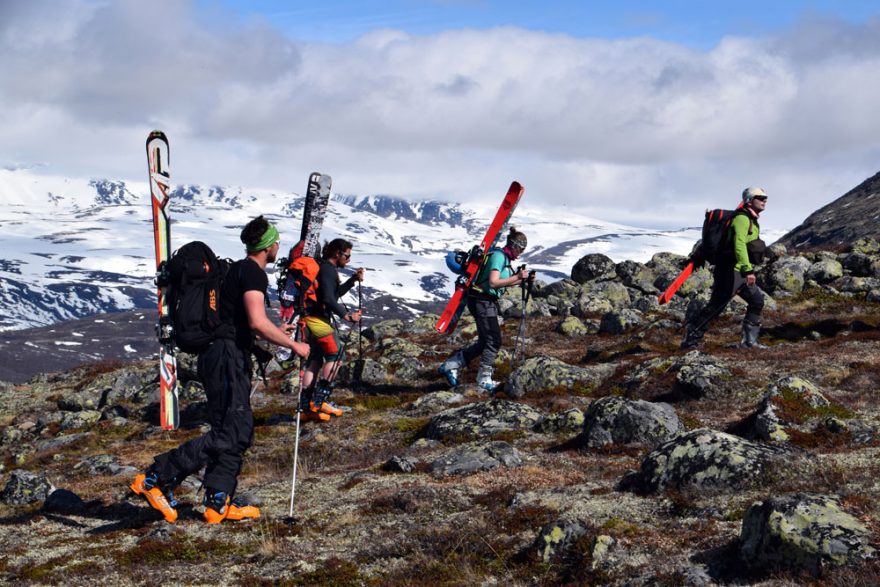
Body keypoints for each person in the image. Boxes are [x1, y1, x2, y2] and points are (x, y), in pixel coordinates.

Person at [130, 216, 311, 524]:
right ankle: (155, 477)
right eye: (276, 241)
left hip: (220, 356)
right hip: (225, 358)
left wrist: (276, 330)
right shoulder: (253, 273)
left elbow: (240, 323)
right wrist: (295, 346)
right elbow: (256, 321)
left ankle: (218, 502)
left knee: (235, 430)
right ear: (270, 245)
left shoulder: (237, 271)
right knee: (231, 431)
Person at [439, 228, 532, 391]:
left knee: (485, 341)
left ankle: (451, 365)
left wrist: (520, 280)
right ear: (515, 246)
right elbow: (493, 282)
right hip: (482, 301)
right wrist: (517, 278)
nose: (520, 254)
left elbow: (499, 282)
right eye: (521, 250)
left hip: (482, 300)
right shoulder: (499, 257)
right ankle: (483, 379)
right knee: (494, 340)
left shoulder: (503, 258)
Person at [681, 187, 769, 350]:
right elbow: (739, 245)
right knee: (716, 306)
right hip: (729, 270)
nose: (765, 200)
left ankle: (749, 342)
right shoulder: (742, 219)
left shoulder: (752, 219)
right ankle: (691, 338)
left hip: (738, 270)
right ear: (750, 200)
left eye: (765, 198)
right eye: (760, 197)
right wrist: (748, 270)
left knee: (756, 300)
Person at [300, 238, 364, 421]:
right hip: (318, 320)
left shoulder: (324, 268)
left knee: (315, 360)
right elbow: (329, 299)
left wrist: (352, 280)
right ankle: (321, 401)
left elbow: (332, 295)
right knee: (336, 356)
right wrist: (347, 316)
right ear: (337, 253)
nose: (348, 260)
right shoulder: (328, 270)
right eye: (347, 256)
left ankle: (305, 407)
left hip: (308, 318)